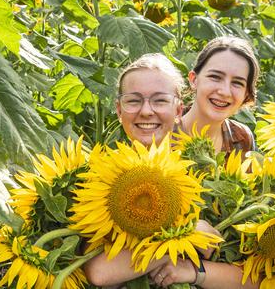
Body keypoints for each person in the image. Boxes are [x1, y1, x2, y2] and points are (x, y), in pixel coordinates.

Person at [83, 53, 260, 288]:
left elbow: (257, 279)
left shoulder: (203, 178)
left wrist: (193, 271)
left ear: (178, 110)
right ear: (119, 109)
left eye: (159, 101)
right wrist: (185, 235)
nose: (146, 111)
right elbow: (99, 272)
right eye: (134, 101)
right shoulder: (103, 177)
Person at [176, 36, 260, 158]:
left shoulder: (242, 139)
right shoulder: (160, 136)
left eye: (237, 83)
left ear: (246, 93)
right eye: (215, 77)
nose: (225, 92)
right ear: (194, 80)